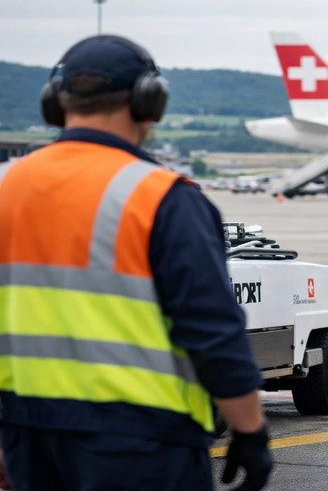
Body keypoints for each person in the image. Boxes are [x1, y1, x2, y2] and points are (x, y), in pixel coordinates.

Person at [0, 35, 272, 490]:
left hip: (29, 432)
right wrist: (250, 430)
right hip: (140, 439)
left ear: (55, 102)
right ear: (150, 100)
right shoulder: (163, 196)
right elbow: (212, 328)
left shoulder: (8, 186)